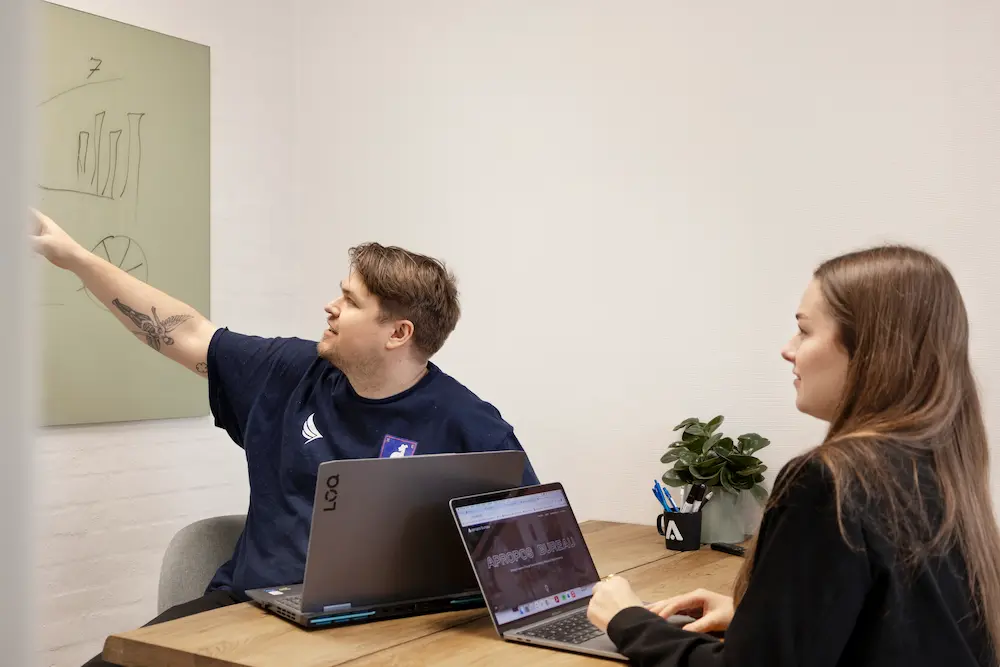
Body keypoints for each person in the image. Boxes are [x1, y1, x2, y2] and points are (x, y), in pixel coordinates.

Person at [28, 209, 539, 667]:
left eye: (350, 301)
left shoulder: (473, 428)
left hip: (390, 633)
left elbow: (526, 561)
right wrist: (74, 258)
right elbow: (185, 332)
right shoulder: (290, 371)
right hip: (250, 610)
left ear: (398, 333)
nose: (330, 307)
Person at [587, 245, 1000, 666]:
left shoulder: (832, 480)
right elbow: (902, 632)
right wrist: (760, 619)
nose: (788, 349)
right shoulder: (938, 468)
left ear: (871, 349)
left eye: (804, 330)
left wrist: (628, 620)